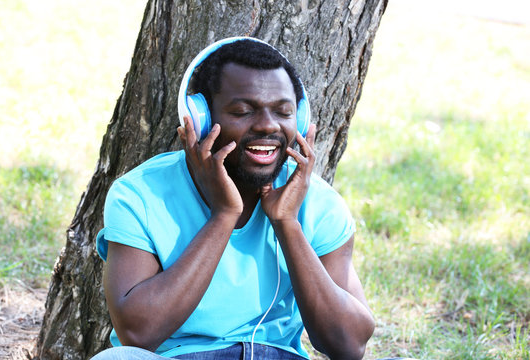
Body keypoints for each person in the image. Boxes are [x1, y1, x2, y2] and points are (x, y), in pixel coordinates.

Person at [93, 38, 375, 360]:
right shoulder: (141, 194)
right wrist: (223, 216)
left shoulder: (320, 204)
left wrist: (287, 225)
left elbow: (350, 346)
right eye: (242, 111)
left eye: (283, 112)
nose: (269, 125)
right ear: (197, 119)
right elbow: (137, 334)